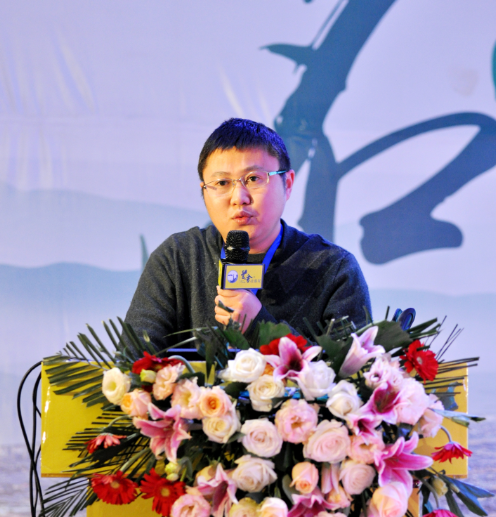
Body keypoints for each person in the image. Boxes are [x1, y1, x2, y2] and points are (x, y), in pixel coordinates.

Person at [125, 118, 371, 352]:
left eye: (253, 178)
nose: (238, 198)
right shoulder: (177, 259)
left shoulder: (334, 269)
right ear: (204, 192)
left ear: (287, 184)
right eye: (222, 183)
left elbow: (352, 373)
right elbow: (133, 366)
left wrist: (260, 327)